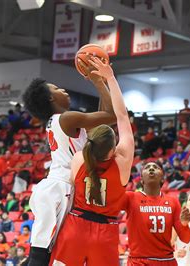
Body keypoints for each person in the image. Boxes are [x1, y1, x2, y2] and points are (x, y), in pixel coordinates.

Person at [21, 56, 116, 265]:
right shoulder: (67, 118)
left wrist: (100, 83)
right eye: (56, 89)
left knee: (49, 248)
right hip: (60, 186)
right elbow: (111, 115)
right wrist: (99, 81)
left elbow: (103, 119)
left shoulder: (65, 121)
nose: (63, 90)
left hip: (60, 185)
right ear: (50, 99)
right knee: (42, 250)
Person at [49, 56, 133, 265]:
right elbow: (121, 116)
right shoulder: (122, 163)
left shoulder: (78, 159)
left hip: (75, 226)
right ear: (114, 149)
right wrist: (109, 79)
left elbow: (98, 130)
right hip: (105, 232)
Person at [123, 162, 190, 265]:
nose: (151, 169)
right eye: (147, 167)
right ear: (141, 179)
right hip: (139, 261)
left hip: (166, 261)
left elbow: (186, 239)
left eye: (155, 167)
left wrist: (185, 224)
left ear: (162, 179)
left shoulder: (173, 202)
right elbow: (108, 204)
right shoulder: (130, 198)